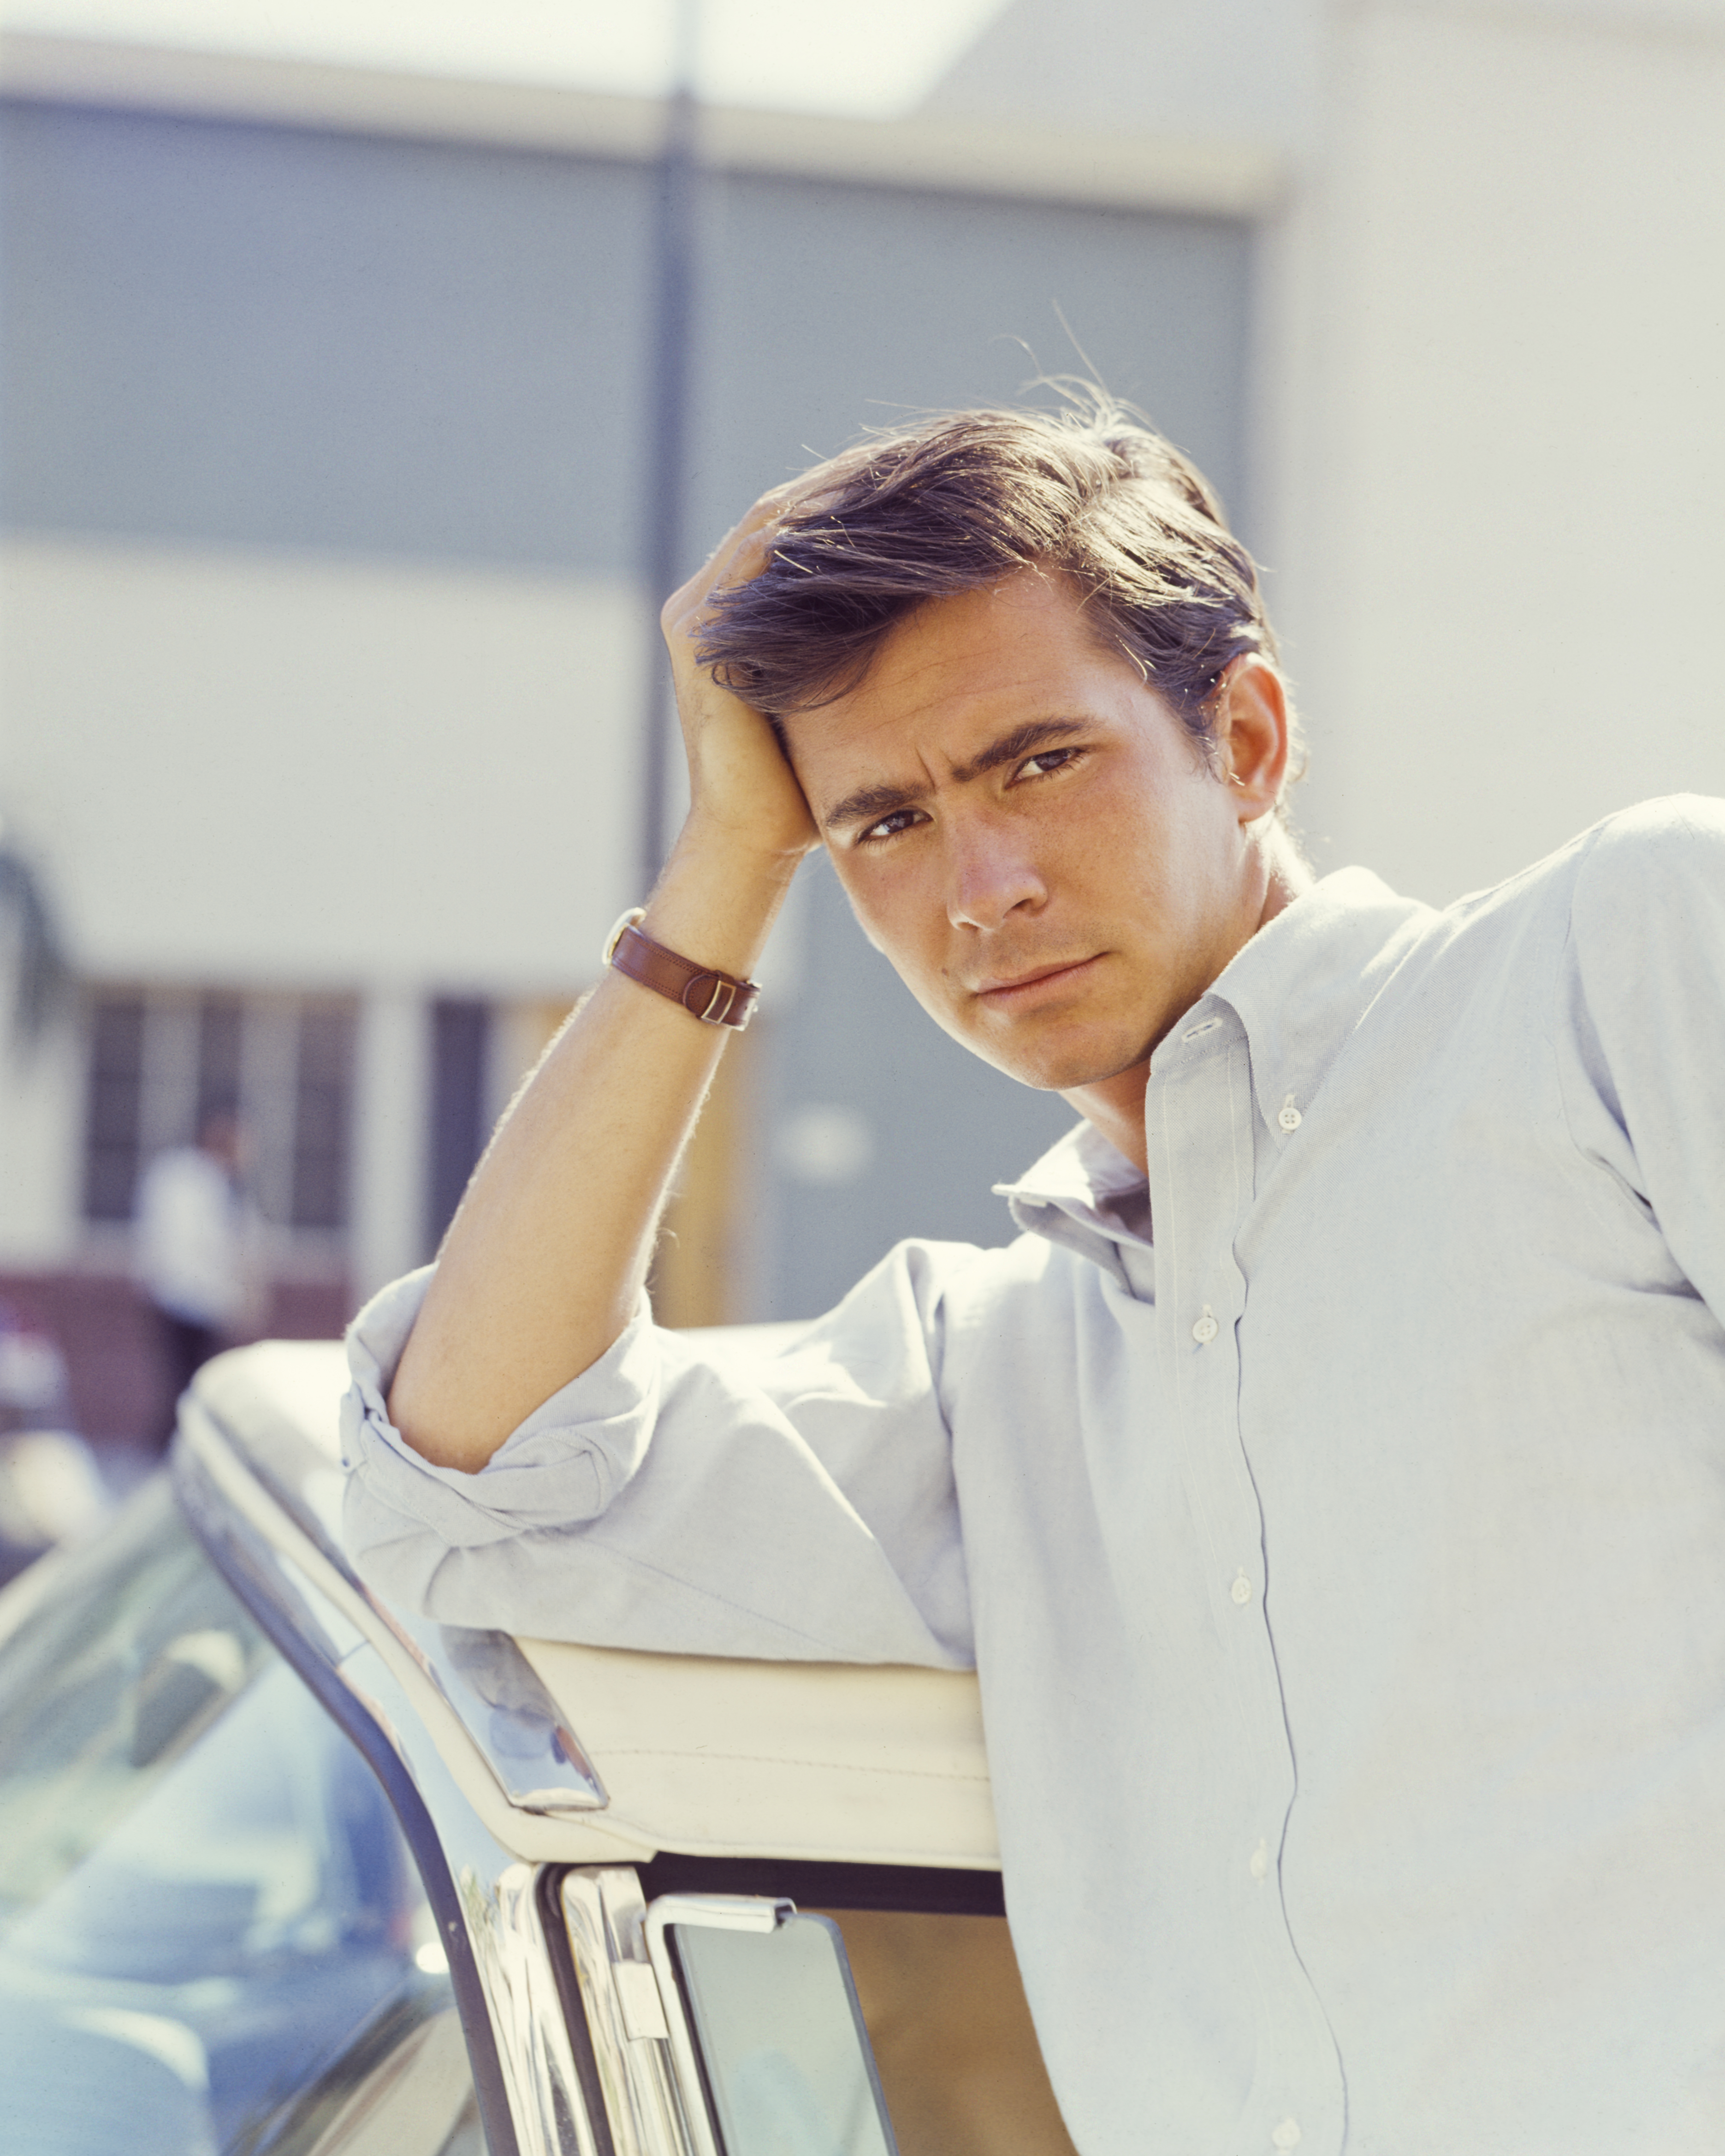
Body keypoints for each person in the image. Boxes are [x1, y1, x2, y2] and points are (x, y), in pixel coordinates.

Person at [341, 400, 1725, 2154]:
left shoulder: (1622, 969)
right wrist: (724, 865)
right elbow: (468, 1475)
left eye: (1038, 763)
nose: (980, 888)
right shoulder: (985, 1374)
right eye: (883, 826)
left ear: (1247, 733)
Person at [136, 1109, 256, 1448]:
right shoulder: (189, 1181)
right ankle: (173, 1452)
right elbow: (194, 1248)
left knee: (193, 1385)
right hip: (186, 1300)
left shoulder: (222, 1183)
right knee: (190, 1385)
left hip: (203, 1302)